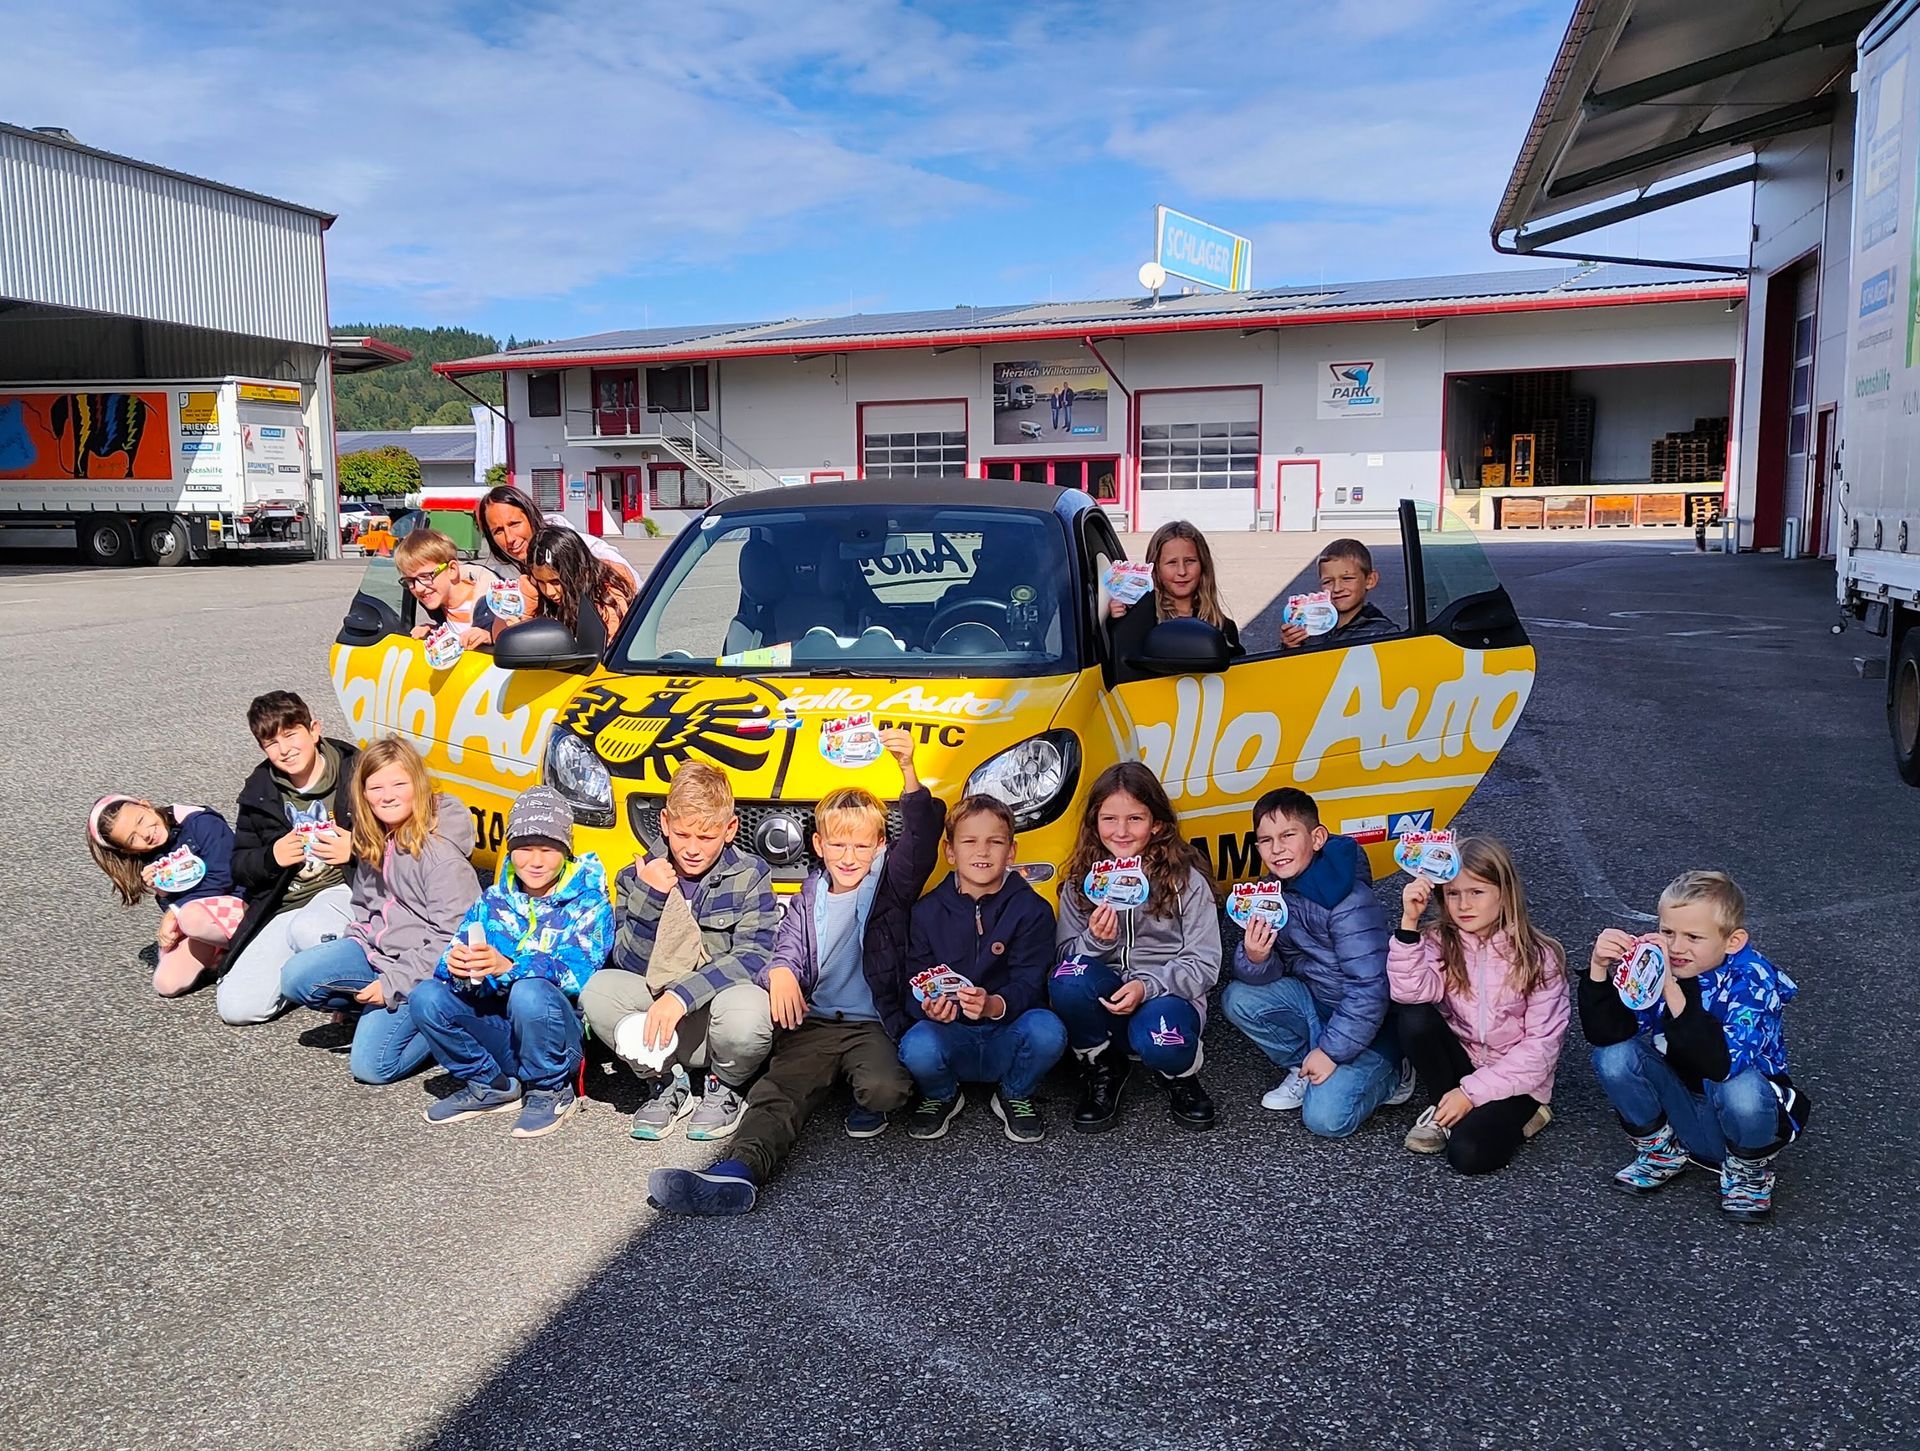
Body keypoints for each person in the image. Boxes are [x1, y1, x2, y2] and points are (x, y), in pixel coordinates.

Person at [645, 730, 943, 1216]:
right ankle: (738, 1171)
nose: (849, 856)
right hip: (819, 1023)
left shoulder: (890, 886)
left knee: (884, 1090)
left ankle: (860, 1093)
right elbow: (783, 946)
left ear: (880, 846)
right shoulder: (810, 894)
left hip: (873, 1024)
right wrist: (781, 971)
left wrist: (908, 771)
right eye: (838, 844)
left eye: (861, 846)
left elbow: (924, 838)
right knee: (778, 1093)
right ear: (819, 845)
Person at [1583, 871, 1810, 1222]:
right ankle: (1661, 1152)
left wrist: (1671, 989)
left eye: (1693, 937)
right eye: (1667, 932)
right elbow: (1608, 1034)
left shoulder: (1753, 980)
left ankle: (1748, 1174)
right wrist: (1599, 971)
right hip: (1682, 1109)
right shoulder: (1661, 965)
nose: (1676, 947)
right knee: (1613, 1056)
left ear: (1732, 941)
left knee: (1740, 1087)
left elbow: (1721, 1065)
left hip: (1740, 1117)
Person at [579, 762, 781, 1142]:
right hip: (660, 1024)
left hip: (715, 1020)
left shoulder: (750, 874)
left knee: (750, 1008)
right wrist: (649, 897)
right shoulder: (634, 876)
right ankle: (664, 1079)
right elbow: (628, 963)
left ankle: (726, 1084)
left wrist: (682, 995)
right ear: (665, 823)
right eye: (683, 834)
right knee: (599, 991)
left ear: (730, 829)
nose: (691, 849)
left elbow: (754, 956)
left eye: (706, 837)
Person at [410, 786, 613, 1139]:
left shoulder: (590, 904)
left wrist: (510, 967)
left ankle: (551, 1089)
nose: (535, 861)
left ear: (566, 850)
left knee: (528, 991)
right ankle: (489, 1083)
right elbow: (455, 964)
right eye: (524, 849)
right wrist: (457, 967)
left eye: (548, 850)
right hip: (504, 1032)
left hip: (557, 1037)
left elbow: (580, 976)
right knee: (426, 996)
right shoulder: (492, 900)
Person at [278, 738, 481, 1085]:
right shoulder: (374, 835)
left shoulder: (440, 855)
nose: (387, 796)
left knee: (373, 1066)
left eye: (399, 784)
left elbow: (450, 940)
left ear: (418, 786)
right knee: (296, 977)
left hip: (429, 973)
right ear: (363, 794)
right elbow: (364, 906)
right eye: (376, 787)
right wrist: (358, 943)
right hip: (378, 954)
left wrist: (392, 985)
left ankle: (445, 1024)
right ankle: (372, 1009)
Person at [1220, 788, 1414, 1138]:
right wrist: (1256, 958)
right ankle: (1303, 1066)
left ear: (1317, 837)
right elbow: (1274, 970)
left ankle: (1394, 1073)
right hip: (1319, 1006)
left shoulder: (1348, 902)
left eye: (1288, 835)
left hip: (1371, 1027)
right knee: (1239, 998)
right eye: (1266, 840)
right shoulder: (1272, 892)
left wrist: (1332, 1052)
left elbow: (1371, 988)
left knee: (1326, 1119)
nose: (1276, 849)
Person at [1049, 762, 1222, 1133]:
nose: (1122, 831)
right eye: (1109, 819)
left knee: (1163, 1045)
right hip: (1106, 998)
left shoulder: (1185, 881)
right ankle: (1102, 1063)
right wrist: (1096, 941)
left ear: (1156, 823)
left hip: (1166, 996)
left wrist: (1148, 986)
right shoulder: (1081, 882)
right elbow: (1062, 959)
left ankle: (1178, 1074)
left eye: (1135, 819)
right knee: (1067, 979)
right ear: (1094, 822)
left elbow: (1205, 963)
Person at [1387, 836, 1568, 1173]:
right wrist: (1409, 925)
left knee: (1468, 1155)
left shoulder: (1539, 957)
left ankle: (1529, 1113)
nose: (1464, 905)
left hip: (1516, 1078)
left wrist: (1470, 1095)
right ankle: (1443, 1106)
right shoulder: (1439, 940)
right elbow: (1409, 993)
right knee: (1414, 1016)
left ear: (1505, 893)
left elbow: (1541, 1048)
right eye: (1453, 893)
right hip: (1463, 1062)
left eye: (1477, 892)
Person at [898, 794, 1066, 1143]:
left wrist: (994, 1004)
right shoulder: (926, 912)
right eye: (969, 841)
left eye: (995, 842)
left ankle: (1015, 1091)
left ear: (1012, 851)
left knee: (1048, 1031)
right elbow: (914, 980)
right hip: (951, 1034)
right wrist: (928, 1007)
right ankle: (943, 1093)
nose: (982, 851)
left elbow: (1032, 982)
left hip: (1007, 1033)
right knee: (916, 1045)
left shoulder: (1033, 910)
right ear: (950, 851)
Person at [217, 692, 360, 1026]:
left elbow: (406, 834)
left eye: (291, 734)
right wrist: (272, 857)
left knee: (310, 930)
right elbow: (239, 866)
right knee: (237, 1008)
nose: (284, 749)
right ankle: (308, 976)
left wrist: (356, 849)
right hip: (288, 902)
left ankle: (354, 992)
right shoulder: (259, 791)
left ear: (314, 730)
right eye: (271, 743)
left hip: (347, 889)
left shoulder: (357, 770)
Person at [87, 795, 245, 998]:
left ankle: (244, 948)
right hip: (203, 917)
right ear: (127, 850)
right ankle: (219, 950)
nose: (145, 834)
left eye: (141, 820)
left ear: (146, 805)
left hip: (242, 902)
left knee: (190, 918)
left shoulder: (201, 822)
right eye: (132, 839)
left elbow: (224, 876)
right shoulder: (150, 855)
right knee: (166, 983)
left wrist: (174, 912)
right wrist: (163, 890)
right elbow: (175, 902)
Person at [1109, 521, 1242, 683]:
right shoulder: (1139, 620)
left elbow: (1238, 678)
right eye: (1171, 562)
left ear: (1203, 565)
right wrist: (1116, 621)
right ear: (1155, 568)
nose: (1182, 571)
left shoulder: (1222, 627)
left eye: (1190, 561)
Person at [474, 482, 637, 588]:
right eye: (498, 531)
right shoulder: (500, 577)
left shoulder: (592, 552)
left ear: (531, 517)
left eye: (514, 524)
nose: (509, 538)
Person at [524, 524, 636, 644]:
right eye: (540, 582)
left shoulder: (608, 601)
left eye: (556, 582)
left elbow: (608, 649)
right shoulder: (541, 597)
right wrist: (529, 608)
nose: (549, 591)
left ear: (577, 572)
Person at [392, 527, 504, 644]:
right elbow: (457, 632)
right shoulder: (438, 606)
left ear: (452, 570)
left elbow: (514, 633)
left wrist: (491, 637)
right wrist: (434, 631)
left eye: (425, 576)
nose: (419, 588)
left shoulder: (493, 604)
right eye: (410, 581)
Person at [1281, 538, 1399, 649]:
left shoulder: (1384, 634)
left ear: (1370, 580)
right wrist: (1291, 647)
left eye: (1347, 578)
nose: (1337, 588)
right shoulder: (1311, 626)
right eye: (1328, 581)